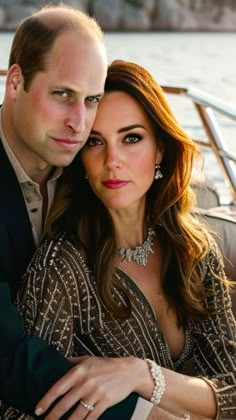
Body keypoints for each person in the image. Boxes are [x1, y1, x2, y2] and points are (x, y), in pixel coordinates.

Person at [3, 59, 235, 419]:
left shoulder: (195, 250)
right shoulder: (62, 267)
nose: (113, 160)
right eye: (96, 142)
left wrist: (141, 375)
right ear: (81, 158)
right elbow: (19, 412)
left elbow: (232, 389)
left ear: (160, 149)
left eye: (131, 138)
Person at [0, 6, 145, 420]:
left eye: (92, 99)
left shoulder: (91, 168)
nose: (79, 123)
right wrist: (150, 414)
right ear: (16, 83)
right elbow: (8, 358)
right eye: (62, 95)